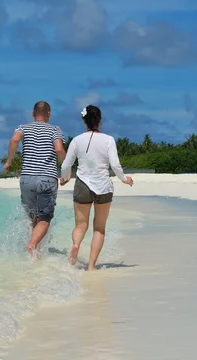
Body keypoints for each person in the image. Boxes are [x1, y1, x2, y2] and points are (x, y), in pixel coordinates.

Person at [60, 105, 133, 270]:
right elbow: (115, 165)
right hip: (103, 187)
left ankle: (76, 245)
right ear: (100, 121)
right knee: (99, 228)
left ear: (84, 121)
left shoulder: (77, 140)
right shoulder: (108, 139)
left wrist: (64, 178)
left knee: (80, 225)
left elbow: (66, 165)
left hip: (83, 184)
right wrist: (124, 179)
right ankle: (91, 266)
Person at [4, 101, 66, 258]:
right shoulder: (55, 130)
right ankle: (32, 246)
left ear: (33, 113)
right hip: (47, 179)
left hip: (27, 179)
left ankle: (35, 253)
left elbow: (14, 140)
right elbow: (59, 149)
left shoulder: (22, 127)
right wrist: (66, 170)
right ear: (49, 113)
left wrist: (9, 161)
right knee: (44, 219)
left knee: (33, 217)